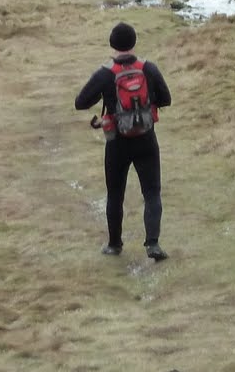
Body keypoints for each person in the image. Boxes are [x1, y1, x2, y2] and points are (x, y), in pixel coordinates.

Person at [74, 22, 173, 261]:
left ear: (112, 44)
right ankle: (153, 244)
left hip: (116, 141)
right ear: (134, 42)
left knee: (115, 193)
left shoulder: (105, 73)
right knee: (152, 192)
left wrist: (105, 97)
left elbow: (80, 102)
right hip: (146, 139)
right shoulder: (148, 68)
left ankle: (114, 244)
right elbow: (166, 99)